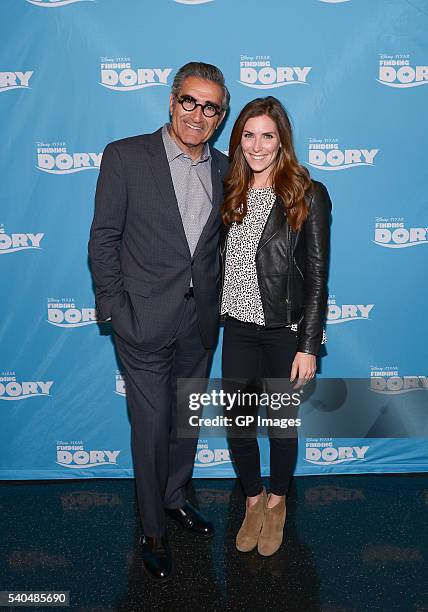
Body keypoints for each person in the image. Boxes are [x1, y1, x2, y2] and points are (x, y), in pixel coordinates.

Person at [88, 62, 229, 581]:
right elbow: (103, 239)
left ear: (219, 115)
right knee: (150, 427)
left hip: (200, 321)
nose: (197, 114)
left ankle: (174, 498)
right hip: (142, 319)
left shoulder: (226, 167)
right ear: (173, 101)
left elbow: (224, 249)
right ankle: (152, 527)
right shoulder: (125, 156)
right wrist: (115, 310)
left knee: (185, 421)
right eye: (189, 101)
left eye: (210, 106)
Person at [220, 96, 331, 557]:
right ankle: (252, 501)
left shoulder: (307, 192)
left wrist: (308, 345)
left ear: (282, 140)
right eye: (249, 134)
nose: (257, 145)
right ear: (239, 138)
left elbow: (319, 274)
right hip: (237, 327)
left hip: (283, 330)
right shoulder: (229, 187)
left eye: (268, 135)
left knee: (281, 425)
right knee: (239, 422)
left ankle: (279, 501)